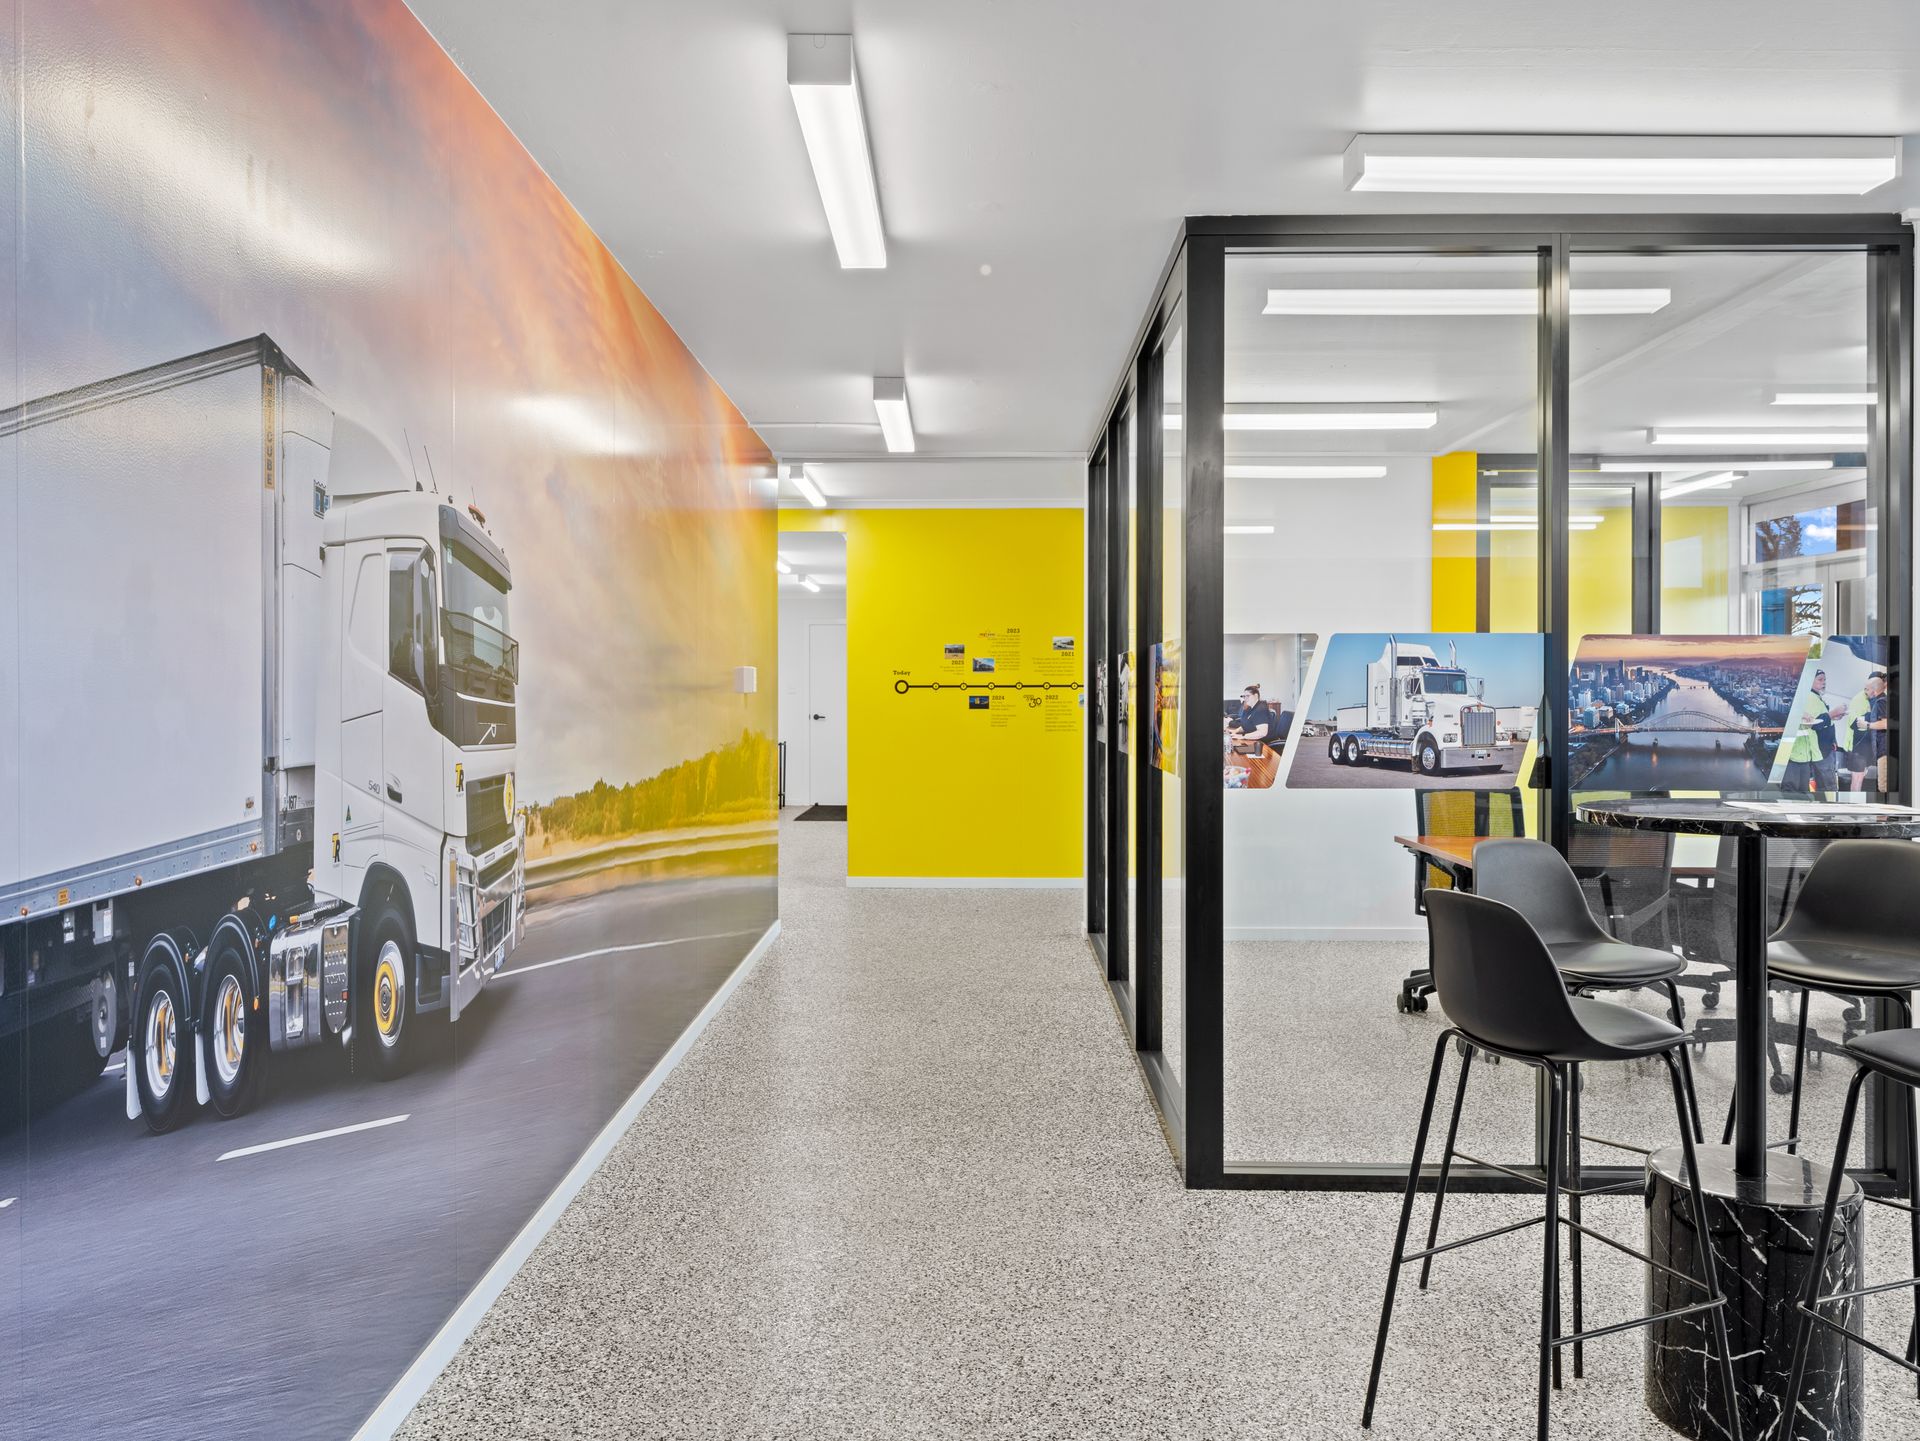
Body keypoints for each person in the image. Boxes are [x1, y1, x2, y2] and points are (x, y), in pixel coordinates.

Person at [1784, 669, 1846, 795]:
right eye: (1820, 679)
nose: (1824, 682)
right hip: (1821, 750)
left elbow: (1821, 719)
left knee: (1824, 785)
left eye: (1824, 679)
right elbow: (1815, 724)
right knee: (1828, 787)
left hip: (1824, 748)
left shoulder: (1816, 697)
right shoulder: (1809, 698)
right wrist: (1833, 713)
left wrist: (1834, 717)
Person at [1225, 684, 1276, 754]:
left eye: (1248, 696)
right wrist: (1235, 731)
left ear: (1256, 696)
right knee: (1234, 750)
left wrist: (1243, 736)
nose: (1245, 699)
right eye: (1244, 696)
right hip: (1254, 741)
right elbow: (1245, 725)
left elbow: (1262, 732)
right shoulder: (1249, 708)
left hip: (1264, 746)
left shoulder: (1261, 709)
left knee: (1236, 755)